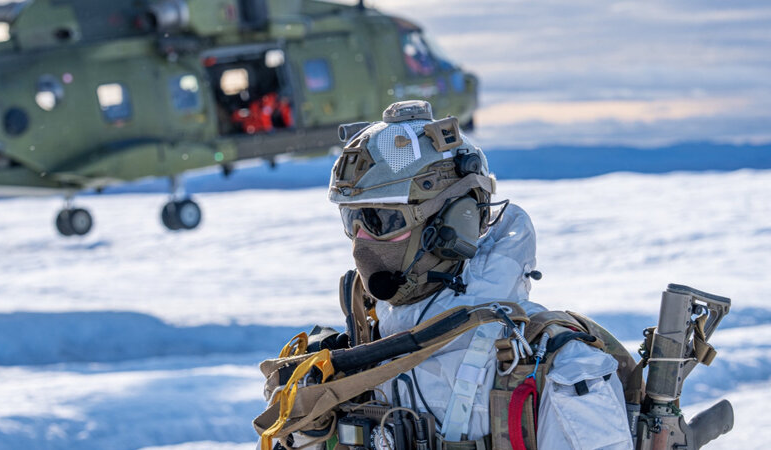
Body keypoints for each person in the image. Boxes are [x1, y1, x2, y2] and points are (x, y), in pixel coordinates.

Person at [258, 100, 634, 449]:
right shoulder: (358, 354)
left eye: (380, 220)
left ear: (455, 221)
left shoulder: (558, 368)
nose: (361, 243)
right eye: (352, 220)